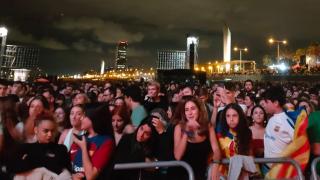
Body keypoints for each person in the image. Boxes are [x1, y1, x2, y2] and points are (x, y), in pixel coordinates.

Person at [9, 113, 72, 179]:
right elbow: (11, 167)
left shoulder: (61, 149)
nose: (50, 134)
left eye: (52, 131)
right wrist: (45, 160)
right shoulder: (26, 148)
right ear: (36, 130)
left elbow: (57, 167)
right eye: (46, 131)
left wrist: (31, 160)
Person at [174, 97, 221, 180]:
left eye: (193, 109)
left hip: (201, 174)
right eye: (186, 110)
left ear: (199, 110)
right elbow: (178, 156)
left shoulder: (208, 126)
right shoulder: (179, 128)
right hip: (181, 174)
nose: (190, 113)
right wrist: (187, 132)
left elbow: (216, 149)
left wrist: (216, 164)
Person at [70, 103, 115, 180]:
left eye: (84, 116)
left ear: (93, 119)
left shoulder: (106, 142)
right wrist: (72, 176)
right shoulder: (80, 138)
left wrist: (84, 148)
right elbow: (69, 166)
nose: (80, 118)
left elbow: (90, 176)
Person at [217, 103, 252, 175]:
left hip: (242, 172)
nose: (231, 119)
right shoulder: (219, 133)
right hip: (222, 173)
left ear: (240, 116)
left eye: (234, 115)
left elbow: (250, 154)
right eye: (228, 116)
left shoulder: (247, 133)